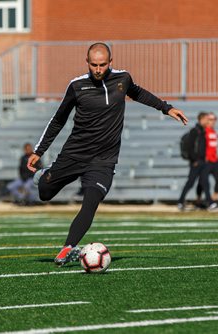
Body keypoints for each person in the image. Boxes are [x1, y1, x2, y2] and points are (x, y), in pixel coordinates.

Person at [27, 42, 188, 266]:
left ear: (111, 62)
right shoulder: (76, 86)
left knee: (91, 201)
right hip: (74, 153)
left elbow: (139, 93)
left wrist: (166, 108)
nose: (98, 69)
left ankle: (67, 248)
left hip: (104, 159)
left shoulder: (123, 79)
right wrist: (39, 150)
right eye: (94, 64)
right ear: (87, 62)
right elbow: (59, 119)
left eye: (102, 64)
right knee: (45, 193)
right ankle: (47, 174)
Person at [177, 112, 213, 211]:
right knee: (190, 183)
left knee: (205, 182)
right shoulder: (195, 131)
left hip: (203, 161)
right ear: (201, 119)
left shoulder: (203, 131)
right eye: (206, 119)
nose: (208, 121)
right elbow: (190, 147)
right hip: (196, 162)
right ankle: (180, 202)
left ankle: (210, 202)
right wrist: (194, 160)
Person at [195, 112, 218, 210]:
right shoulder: (203, 131)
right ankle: (198, 201)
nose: (212, 121)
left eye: (214, 119)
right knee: (202, 181)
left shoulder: (213, 131)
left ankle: (213, 200)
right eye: (210, 119)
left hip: (215, 160)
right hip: (206, 160)